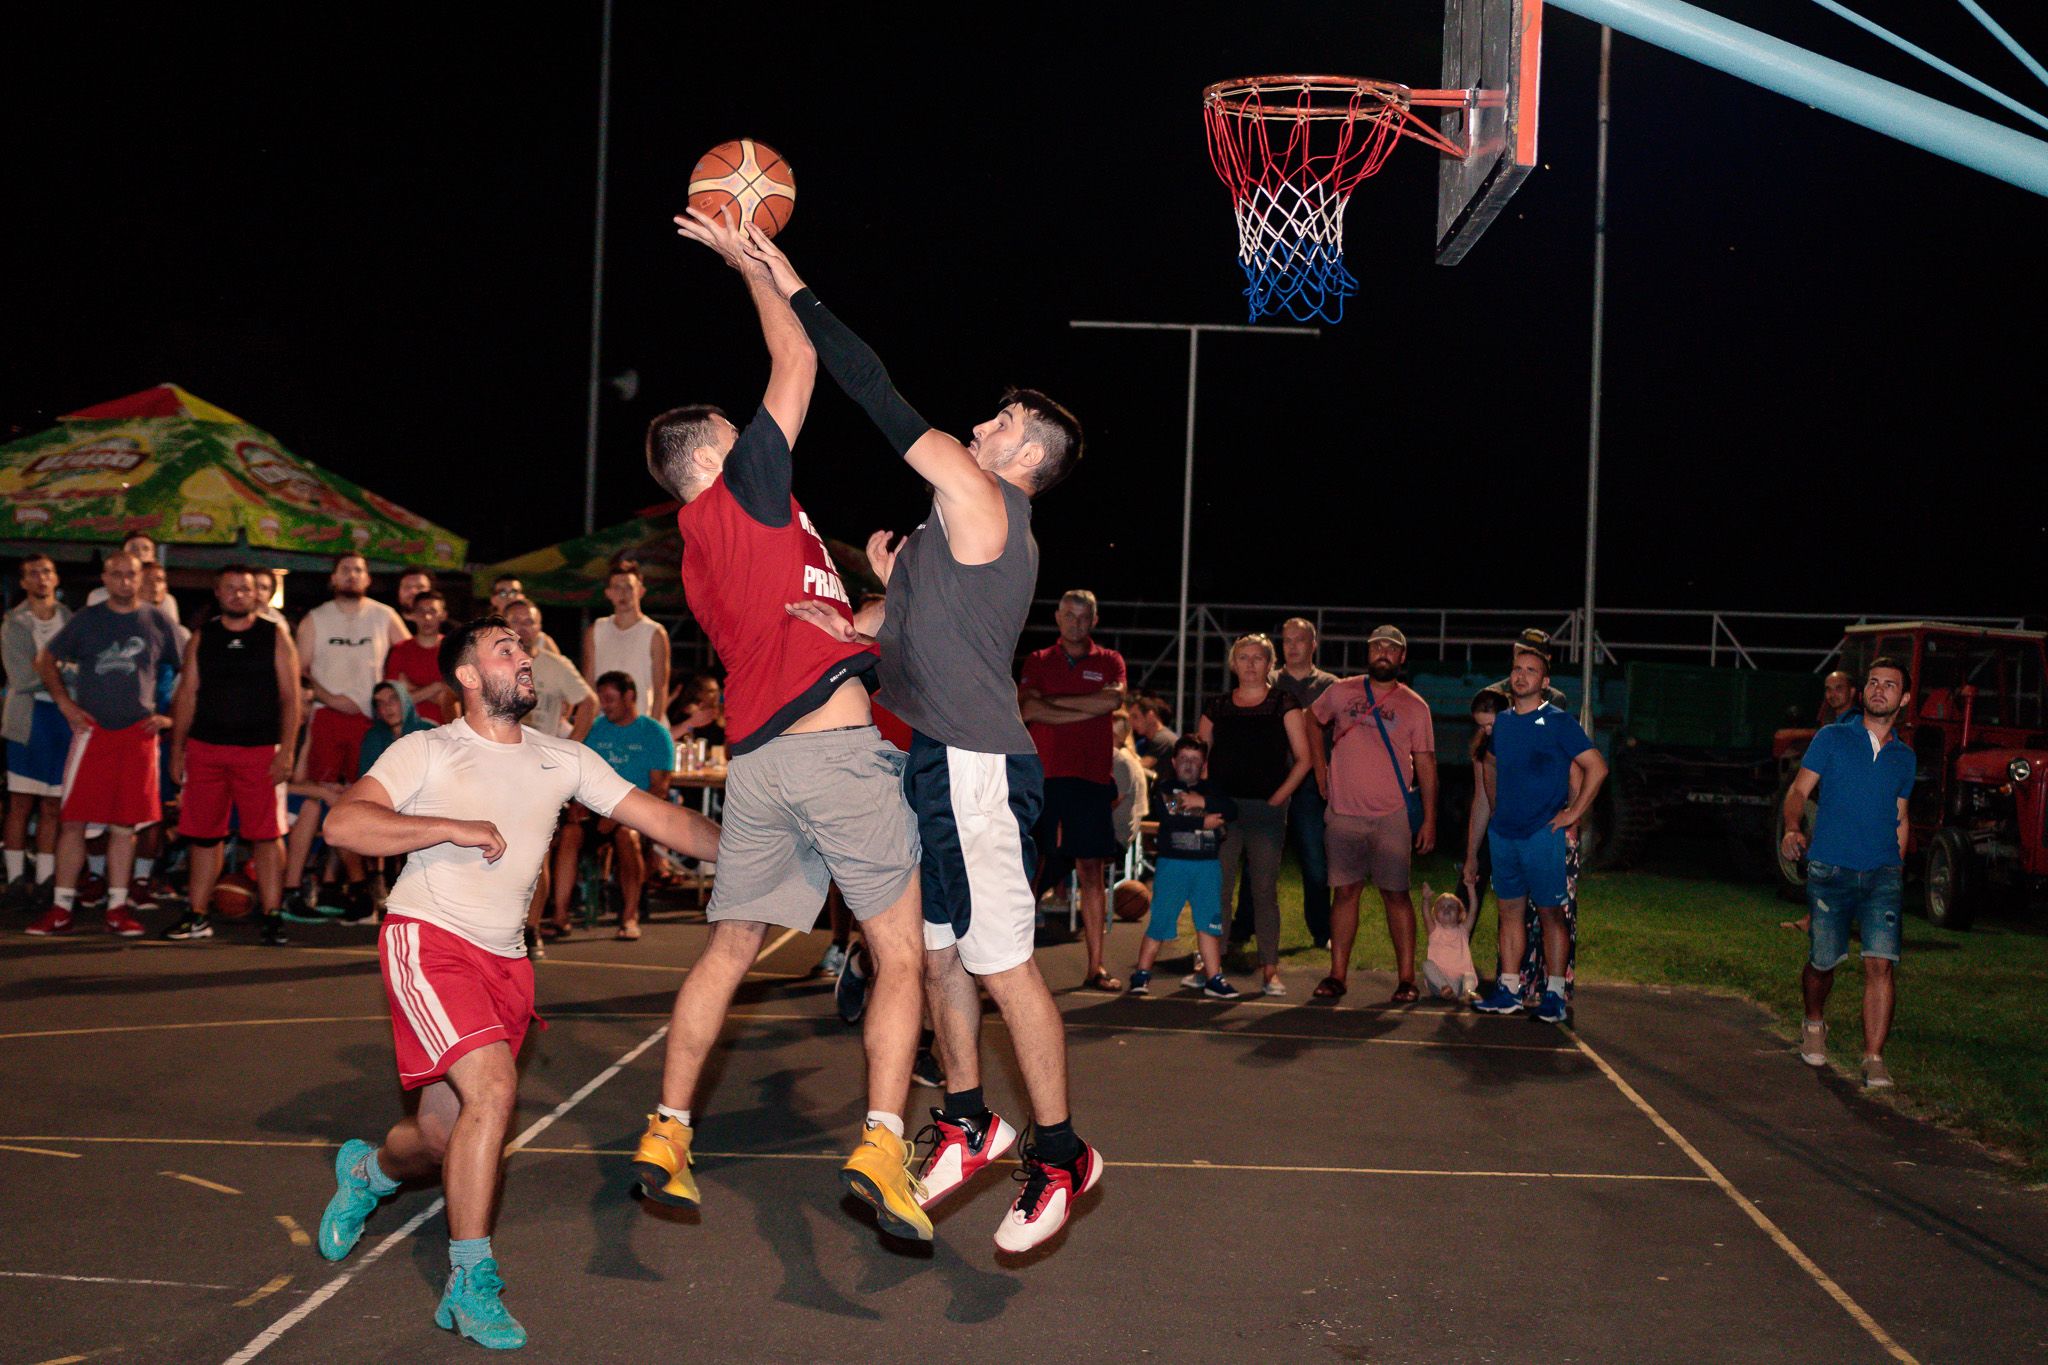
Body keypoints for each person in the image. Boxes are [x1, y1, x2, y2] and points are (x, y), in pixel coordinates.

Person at [746, 221, 1103, 1253]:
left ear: (1025, 455)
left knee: (1003, 965)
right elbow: (908, 631)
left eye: (1001, 421)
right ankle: (967, 1118)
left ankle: (1061, 1150)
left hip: (981, 765)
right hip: (937, 762)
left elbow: (875, 390)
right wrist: (860, 614)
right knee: (942, 954)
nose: (982, 425)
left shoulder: (986, 500)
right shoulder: (948, 535)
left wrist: (789, 278)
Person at [631, 206, 933, 1244]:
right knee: (900, 953)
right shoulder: (743, 491)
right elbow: (797, 358)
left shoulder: (711, 548)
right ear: (711, 455)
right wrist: (749, 261)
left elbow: (831, 624)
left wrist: (877, 600)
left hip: (763, 764)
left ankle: (669, 1129)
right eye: (734, 427)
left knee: (729, 951)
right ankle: (883, 1141)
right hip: (834, 757)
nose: (751, 431)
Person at [314, 615, 720, 1350]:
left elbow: (662, 817)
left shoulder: (563, 757)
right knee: (496, 1091)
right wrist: (449, 825)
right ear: (468, 676)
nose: (523, 656)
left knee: (440, 1137)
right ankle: (469, 1280)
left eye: (523, 647)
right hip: (428, 940)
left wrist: (759, 851)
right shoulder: (428, 748)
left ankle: (368, 1171)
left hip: (507, 960)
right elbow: (344, 824)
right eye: (504, 649)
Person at [24, 551, 180, 937]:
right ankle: (61, 908)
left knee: (125, 827)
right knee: (73, 822)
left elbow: (191, 671)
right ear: (105, 579)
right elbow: (45, 660)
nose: (125, 581)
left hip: (138, 737)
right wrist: (65, 703)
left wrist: (171, 717)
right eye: (117, 575)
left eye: (131, 575)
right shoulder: (88, 619)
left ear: (141, 578)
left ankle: (117, 908)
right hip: (93, 734)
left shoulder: (158, 620)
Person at [1781, 657, 1914, 1089]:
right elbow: (1799, 791)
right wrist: (1792, 828)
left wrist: (1898, 865)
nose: (1879, 689)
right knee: (1823, 961)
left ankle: (1873, 1057)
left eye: (1889, 685)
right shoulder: (1832, 737)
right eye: (1873, 682)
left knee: (1881, 963)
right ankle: (1813, 1022)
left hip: (1882, 874)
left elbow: (1901, 816)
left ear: (1904, 699)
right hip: (1831, 868)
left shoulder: (1905, 757)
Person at [160, 565, 302, 944]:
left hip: (260, 751)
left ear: (258, 595)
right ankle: (197, 915)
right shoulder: (202, 637)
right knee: (204, 837)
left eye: (246, 588)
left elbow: (292, 698)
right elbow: (187, 695)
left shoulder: (274, 635)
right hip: (205, 750)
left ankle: (272, 916)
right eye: (231, 588)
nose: (238, 594)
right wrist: (177, 749)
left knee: (267, 836)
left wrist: (287, 751)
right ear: (218, 593)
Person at [1472, 635, 1608, 1024]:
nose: (1522, 676)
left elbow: (1597, 768)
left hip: (1541, 834)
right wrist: (1496, 808)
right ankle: (1509, 990)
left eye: (1531, 671)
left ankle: (1555, 995)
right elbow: (1490, 764)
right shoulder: (1501, 721)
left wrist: (1573, 813)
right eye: (1517, 669)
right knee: (1509, 912)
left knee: (1551, 915)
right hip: (1505, 834)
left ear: (1544, 682)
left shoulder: (1559, 721)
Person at [1307, 625, 1437, 1002]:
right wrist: (1319, 768)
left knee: (1396, 894)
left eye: (1391, 648)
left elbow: (1426, 764)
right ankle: (1337, 975)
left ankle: (1406, 979)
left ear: (1402, 657)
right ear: (1368, 652)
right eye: (1377, 646)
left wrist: (1429, 819)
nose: (1383, 652)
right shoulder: (1340, 691)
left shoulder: (1415, 706)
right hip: (1343, 812)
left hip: (1391, 814)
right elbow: (1310, 720)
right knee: (1345, 892)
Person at [1019, 589, 1128, 990]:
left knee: (1091, 872)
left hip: (1091, 779)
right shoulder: (1037, 659)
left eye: (1084, 617)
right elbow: (1028, 709)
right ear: (1057, 617)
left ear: (1094, 620)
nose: (1076, 623)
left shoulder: (1110, 660)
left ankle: (1096, 966)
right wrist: (1088, 705)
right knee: (1029, 872)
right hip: (1043, 778)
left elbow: (1112, 701)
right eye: (1069, 615)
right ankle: (1015, 971)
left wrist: (1053, 705)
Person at [296, 552, 410, 915]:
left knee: (366, 804)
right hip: (327, 718)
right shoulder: (315, 618)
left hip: (370, 722)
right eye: (344, 570)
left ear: (368, 578)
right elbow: (299, 669)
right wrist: (330, 698)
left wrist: (396, 699)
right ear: (333, 578)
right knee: (328, 799)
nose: (351, 575)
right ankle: (323, 882)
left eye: (358, 570)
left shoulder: (384, 615)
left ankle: (363, 882)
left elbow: (408, 657)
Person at [1200, 633, 1312, 996]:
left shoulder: (1283, 703)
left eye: (1258, 658)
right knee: (1218, 889)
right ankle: (1211, 967)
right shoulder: (1217, 706)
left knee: (1264, 890)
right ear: (1233, 664)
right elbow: (1200, 759)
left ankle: (1269, 970)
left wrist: (1277, 798)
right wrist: (1209, 800)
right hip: (1224, 812)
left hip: (1266, 813)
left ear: (1270, 664)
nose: (1250, 664)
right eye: (1243, 657)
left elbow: (1304, 758)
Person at [560, 671, 674, 940]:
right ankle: (559, 917)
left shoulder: (655, 733)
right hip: (595, 810)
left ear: (629, 696)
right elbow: (578, 775)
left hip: (635, 814)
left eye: (609, 699)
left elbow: (659, 789)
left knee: (627, 836)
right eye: (600, 699)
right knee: (569, 833)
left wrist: (620, 814)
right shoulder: (594, 729)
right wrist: (576, 803)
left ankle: (629, 916)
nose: (604, 706)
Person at [1129, 735, 1239, 999]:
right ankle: (1141, 974)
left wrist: (1202, 803)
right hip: (1174, 865)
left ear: (1204, 764)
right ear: (1174, 761)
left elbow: (1231, 810)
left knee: (1209, 923)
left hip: (1206, 866)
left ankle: (1214, 977)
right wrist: (1203, 822)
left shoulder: (1212, 789)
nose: (1189, 764)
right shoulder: (1166, 787)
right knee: (1160, 921)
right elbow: (1171, 819)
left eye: (1195, 759)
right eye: (1184, 759)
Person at [3, 554, 70, 906]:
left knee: (53, 806)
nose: (41, 578)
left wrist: (47, 669)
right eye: (33, 573)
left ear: (56, 578)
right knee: (20, 803)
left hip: (64, 719)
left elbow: (83, 670)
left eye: (46, 571)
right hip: (28, 720)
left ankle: (45, 880)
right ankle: (15, 880)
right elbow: (21, 679)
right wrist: (63, 670)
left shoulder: (72, 620)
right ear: (23, 583)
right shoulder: (13, 623)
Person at [1272, 616, 1339, 948]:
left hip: (1312, 784)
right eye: (1286, 639)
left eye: (1299, 639)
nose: (1292, 645)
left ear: (1313, 644)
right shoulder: (1267, 680)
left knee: (1315, 862)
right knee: (1257, 858)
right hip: (1271, 780)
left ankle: (1322, 932)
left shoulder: (1331, 685)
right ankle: (1242, 928)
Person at [581, 561, 668, 718]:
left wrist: (651, 728)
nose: (623, 593)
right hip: (604, 722)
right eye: (617, 587)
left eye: (629, 587)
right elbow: (588, 685)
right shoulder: (595, 631)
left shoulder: (655, 633)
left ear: (641, 591)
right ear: (608, 593)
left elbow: (660, 690)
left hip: (641, 721)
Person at [504, 598, 595, 740]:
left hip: (541, 751)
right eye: (515, 621)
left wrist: (571, 746)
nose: (522, 627)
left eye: (529, 622)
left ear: (539, 628)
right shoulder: (489, 664)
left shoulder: (557, 665)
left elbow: (590, 702)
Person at [384, 589, 453, 723]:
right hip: (409, 729)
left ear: (443, 615)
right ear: (413, 615)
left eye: (432, 611)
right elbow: (393, 701)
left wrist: (411, 690)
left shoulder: (454, 650)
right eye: (421, 611)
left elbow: (461, 698)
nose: (427, 617)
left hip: (447, 729)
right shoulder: (399, 651)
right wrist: (437, 687)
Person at [1419, 883, 1479, 1001]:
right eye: (1442, 907)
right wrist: (1426, 899)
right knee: (1427, 965)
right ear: (1435, 914)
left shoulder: (1463, 931)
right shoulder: (1434, 931)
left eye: (1451, 907)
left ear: (1460, 914)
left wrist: (1471, 887)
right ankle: (1446, 989)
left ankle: (1468, 992)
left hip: (1460, 982)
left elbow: (1473, 910)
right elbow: (1425, 915)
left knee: (1469, 975)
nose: (1446, 909)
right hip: (1439, 984)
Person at [488, 575, 564, 656]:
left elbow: (557, 662)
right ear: (493, 599)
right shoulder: (484, 635)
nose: (509, 597)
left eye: (514, 592)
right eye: (503, 593)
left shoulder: (540, 640)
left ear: (522, 597)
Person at [1109, 710, 1148, 864]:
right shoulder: (1125, 756)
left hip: (1116, 836)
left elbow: (1112, 803)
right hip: (1119, 832)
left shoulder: (1120, 760)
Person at [1129, 694, 1177, 771]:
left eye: (1135, 717)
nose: (1132, 723)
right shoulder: (1154, 739)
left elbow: (1138, 767)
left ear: (1150, 715)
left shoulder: (1162, 739)